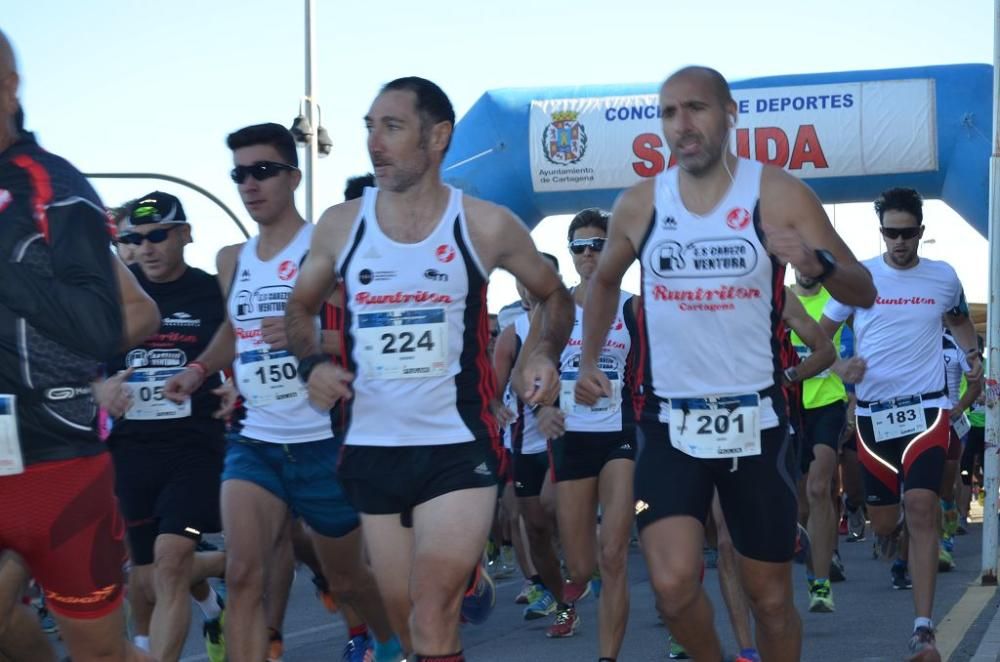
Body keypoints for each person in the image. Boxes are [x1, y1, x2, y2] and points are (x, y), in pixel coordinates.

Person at [574, 65, 875, 662]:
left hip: (757, 422)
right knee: (672, 585)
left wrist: (817, 263)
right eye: (668, 113)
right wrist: (588, 361)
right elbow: (604, 281)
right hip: (668, 423)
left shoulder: (779, 193)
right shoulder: (640, 203)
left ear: (729, 114)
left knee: (767, 597)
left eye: (696, 109)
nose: (681, 125)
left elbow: (862, 289)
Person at [285, 76, 573, 662]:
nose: (374, 143)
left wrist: (543, 351)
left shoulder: (484, 224)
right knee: (404, 616)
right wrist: (311, 361)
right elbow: (299, 308)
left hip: (456, 440)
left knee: (431, 603)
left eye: (391, 128)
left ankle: (458, 574)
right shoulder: (342, 225)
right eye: (369, 127)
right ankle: (468, 577)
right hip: (372, 442)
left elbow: (555, 296)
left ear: (438, 136)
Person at [164, 122, 398, 662]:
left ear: (293, 177)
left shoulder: (327, 246)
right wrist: (200, 371)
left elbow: (379, 325)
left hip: (325, 442)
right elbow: (233, 330)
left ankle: (390, 641)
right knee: (245, 575)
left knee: (347, 577)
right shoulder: (233, 260)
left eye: (263, 171)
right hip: (256, 441)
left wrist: (318, 337)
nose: (250, 184)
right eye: (239, 174)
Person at [0, 28, 157, 662]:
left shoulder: (51, 190)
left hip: (57, 464)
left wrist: (70, 381)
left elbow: (123, 317)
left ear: (7, 88)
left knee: (102, 654)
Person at [820, 186, 981, 661]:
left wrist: (971, 355)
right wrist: (838, 369)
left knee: (922, 506)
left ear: (921, 233)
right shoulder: (859, 278)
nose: (899, 241)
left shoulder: (943, 277)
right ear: (881, 233)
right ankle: (895, 535)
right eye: (891, 232)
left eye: (908, 233)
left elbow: (959, 321)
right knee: (887, 523)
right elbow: (819, 338)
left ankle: (923, 627)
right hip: (873, 418)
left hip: (928, 411)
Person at [105, 191, 229, 662]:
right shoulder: (118, 293)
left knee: (172, 561)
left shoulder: (212, 290)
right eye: (135, 238)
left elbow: (243, 342)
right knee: (148, 577)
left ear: (185, 234)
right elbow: (83, 355)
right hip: (131, 450)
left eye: (158, 235)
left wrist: (236, 386)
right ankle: (225, 585)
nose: (147, 247)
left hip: (193, 447)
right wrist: (102, 387)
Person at [542, 209, 640, 655]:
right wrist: (543, 407)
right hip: (570, 436)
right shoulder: (558, 305)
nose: (587, 254)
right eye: (578, 246)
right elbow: (531, 365)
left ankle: (608, 654)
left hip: (619, 434)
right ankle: (584, 581)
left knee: (614, 554)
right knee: (581, 566)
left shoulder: (632, 306)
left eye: (597, 245)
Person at [788, 267, 851, 611]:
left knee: (819, 488)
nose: (806, 270)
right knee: (799, 502)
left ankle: (822, 583)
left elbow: (870, 334)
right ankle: (814, 569)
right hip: (790, 404)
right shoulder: (781, 298)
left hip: (827, 402)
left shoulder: (837, 302)